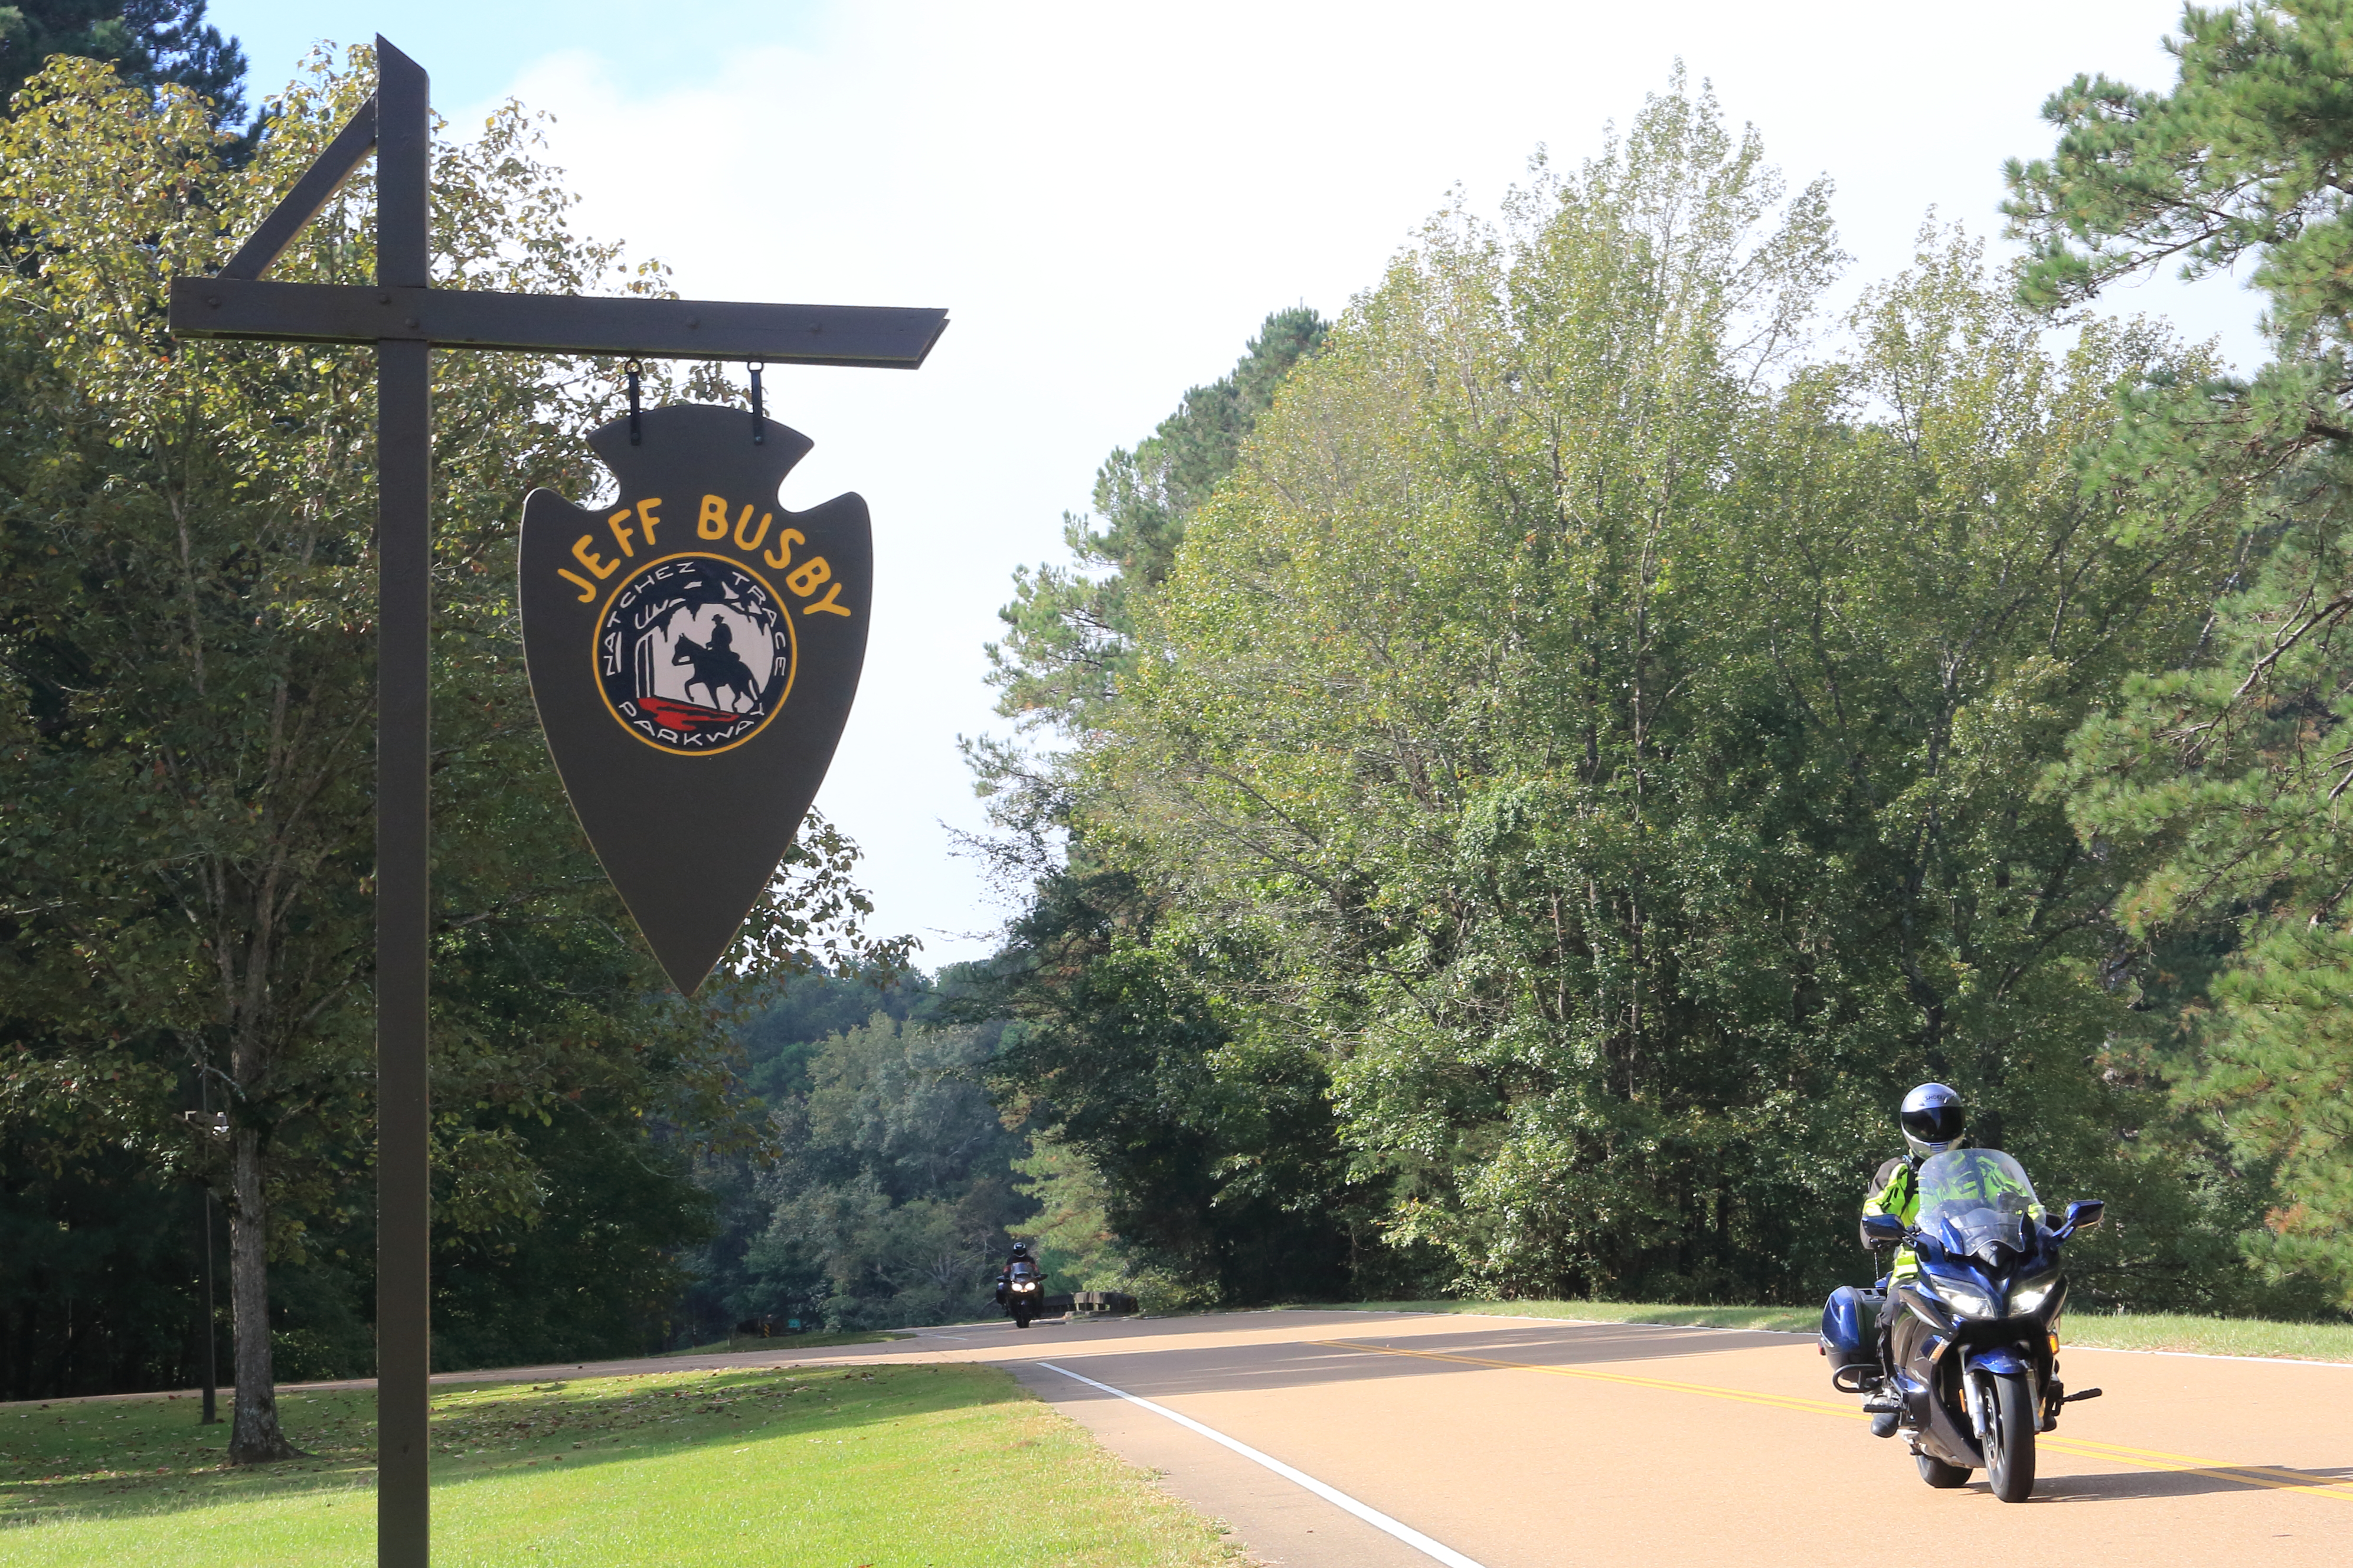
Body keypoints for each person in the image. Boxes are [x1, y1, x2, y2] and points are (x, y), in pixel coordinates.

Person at [1858, 1083, 1967, 1436]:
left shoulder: (1978, 1168)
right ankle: (1891, 1390)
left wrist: (2039, 1221)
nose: (1935, 1131)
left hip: (1976, 1261)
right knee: (1892, 1311)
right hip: (1918, 1265)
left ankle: (2042, 1367)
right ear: (1909, 1128)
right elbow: (1874, 1212)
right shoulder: (1898, 1171)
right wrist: (1878, 1227)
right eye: (1924, 1123)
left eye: (1944, 1121)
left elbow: (2018, 1200)